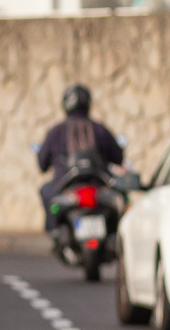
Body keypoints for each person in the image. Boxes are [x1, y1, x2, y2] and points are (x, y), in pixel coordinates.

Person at [36, 83, 124, 228]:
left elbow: (42, 164)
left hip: (64, 188)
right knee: (121, 194)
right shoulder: (100, 129)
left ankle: (54, 230)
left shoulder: (56, 132)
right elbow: (118, 157)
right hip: (100, 187)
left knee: (46, 192)